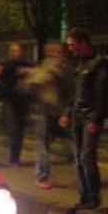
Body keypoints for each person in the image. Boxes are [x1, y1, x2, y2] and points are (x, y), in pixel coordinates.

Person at [60, 27, 108, 209]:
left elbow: (102, 94)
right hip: (77, 116)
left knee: (87, 157)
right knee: (78, 158)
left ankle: (93, 196)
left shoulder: (99, 63)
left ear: (83, 42)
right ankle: (84, 195)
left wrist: (96, 120)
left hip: (89, 116)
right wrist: (67, 113)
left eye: (73, 45)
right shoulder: (78, 64)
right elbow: (73, 93)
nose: (71, 49)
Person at [25, 41, 72, 189]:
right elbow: (30, 87)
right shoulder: (43, 70)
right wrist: (37, 85)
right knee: (43, 146)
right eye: (56, 53)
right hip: (44, 112)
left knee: (72, 143)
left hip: (59, 113)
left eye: (60, 53)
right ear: (50, 54)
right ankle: (41, 177)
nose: (59, 56)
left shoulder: (65, 70)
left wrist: (66, 113)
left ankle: (84, 177)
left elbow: (69, 93)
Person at [0, 42, 32, 166]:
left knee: (20, 131)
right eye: (14, 51)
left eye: (18, 51)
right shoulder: (7, 66)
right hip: (10, 100)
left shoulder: (28, 65)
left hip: (23, 101)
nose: (16, 53)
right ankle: (12, 157)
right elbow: (3, 81)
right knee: (13, 129)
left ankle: (15, 157)